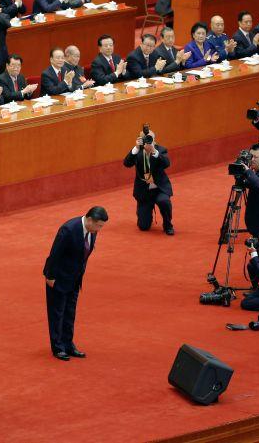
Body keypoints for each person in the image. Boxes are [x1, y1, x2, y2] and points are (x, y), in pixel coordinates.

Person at [43, 206, 108, 361]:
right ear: (90, 220)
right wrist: (50, 276)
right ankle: (58, 347)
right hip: (58, 278)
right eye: (99, 225)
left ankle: (68, 344)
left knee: (70, 312)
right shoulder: (69, 230)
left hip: (75, 278)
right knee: (57, 313)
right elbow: (55, 254)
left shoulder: (92, 231)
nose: (100, 229)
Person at [123, 127, 174, 235]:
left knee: (164, 201)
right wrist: (136, 148)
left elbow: (166, 164)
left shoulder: (160, 150)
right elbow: (127, 163)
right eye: (145, 138)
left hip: (159, 189)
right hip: (144, 191)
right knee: (143, 226)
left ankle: (168, 224)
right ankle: (146, 215)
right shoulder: (137, 152)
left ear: (154, 140)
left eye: (150, 139)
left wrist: (154, 151)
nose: (148, 141)